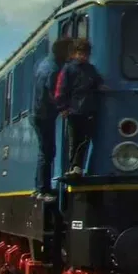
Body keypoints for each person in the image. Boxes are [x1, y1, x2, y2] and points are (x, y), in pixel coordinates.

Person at [53, 37, 103, 178]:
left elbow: (97, 81)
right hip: (73, 110)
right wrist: (63, 108)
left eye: (86, 54)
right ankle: (73, 166)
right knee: (74, 139)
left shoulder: (91, 69)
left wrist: (101, 86)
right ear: (74, 53)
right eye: (80, 53)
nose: (83, 56)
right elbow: (60, 90)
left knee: (85, 139)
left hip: (88, 109)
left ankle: (78, 167)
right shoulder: (68, 69)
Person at [34, 37, 73, 195]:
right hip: (45, 115)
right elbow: (52, 93)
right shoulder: (53, 69)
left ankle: (40, 187)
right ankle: (43, 189)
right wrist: (63, 108)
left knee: (45, 152)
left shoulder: (45, 64)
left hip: (40, 114)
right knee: (47, 152)